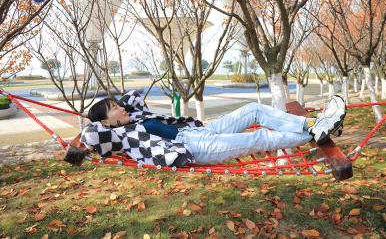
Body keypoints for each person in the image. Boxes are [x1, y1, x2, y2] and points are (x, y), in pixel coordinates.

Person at [80, 90, 346, 167]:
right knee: (260, 138)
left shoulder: (136, 116)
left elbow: (133, 96)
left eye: (118, 105)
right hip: (196, 148)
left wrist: (118, 108)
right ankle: (315, 130)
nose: (122, 108)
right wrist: (96, 119)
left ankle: (312, 125)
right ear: (106, 122)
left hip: (200, 132)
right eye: (115, 108)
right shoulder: (120, 136)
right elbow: (92, 135)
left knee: (252, 109)